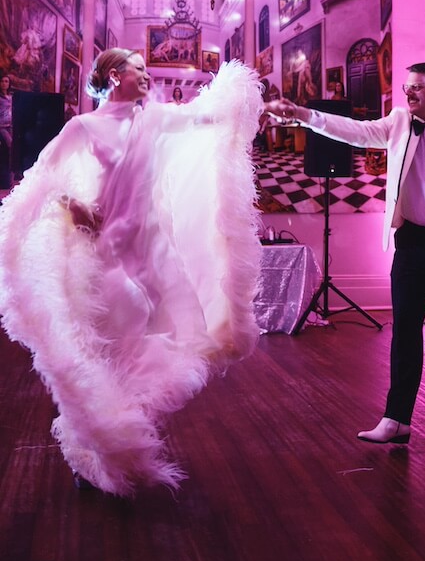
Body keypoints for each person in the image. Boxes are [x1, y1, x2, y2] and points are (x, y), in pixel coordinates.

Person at [0, 48, 262, 495]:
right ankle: (97, 444)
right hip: (106, 251)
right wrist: (74, 204)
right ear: (115, 75)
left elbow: (203, 119)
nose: (146, 76)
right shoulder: (82, 127)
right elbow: (43, 173)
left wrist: (236, 96)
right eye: (139, 69)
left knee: (159, 338)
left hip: (152, 249)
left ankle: (116, 439)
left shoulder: (154, 119)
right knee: (106, 345)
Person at [264, 61, 425, 448]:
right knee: (404, 333)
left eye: (417, 87)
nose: (408, 93)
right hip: (410, 244)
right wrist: (303, 116)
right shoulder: (398, 123)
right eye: (406, 87)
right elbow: (353, 131)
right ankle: (397, 418)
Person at [0, 73, 12, 151]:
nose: (4, 83)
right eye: (2, 81)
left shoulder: (12, 96)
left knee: (16, 144)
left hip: (11, 124)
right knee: (11, 143)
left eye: (6, 81)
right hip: (2, 125)